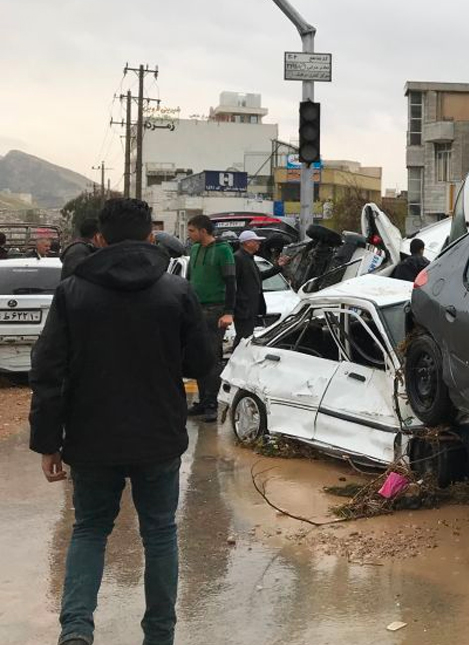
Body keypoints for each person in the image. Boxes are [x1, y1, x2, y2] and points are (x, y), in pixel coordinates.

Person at [28, 197, 214, 645]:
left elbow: (48, 370)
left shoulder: (72, 292)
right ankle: (159, 636)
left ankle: (75, 632)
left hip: (91, 436)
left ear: (100, 239)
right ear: (151, 236)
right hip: (159, 435)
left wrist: (48, 441)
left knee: (90, 530)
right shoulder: (175, 292)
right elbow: (201, 362)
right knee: (160, 533)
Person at [186, 215, 235, 423]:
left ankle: (212, 403)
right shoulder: (195, 250)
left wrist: (229, 312)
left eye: (192, 231)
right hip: (196, 309)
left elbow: (232, 282)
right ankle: (202, 401)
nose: (189, 235)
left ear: (203, 231)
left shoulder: (223, 250)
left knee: (212, 357)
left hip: (215, 310)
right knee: (197, 356)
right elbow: (189, 280)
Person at [232, 230, 287, 347]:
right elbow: (232, 284)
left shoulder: (250, 258)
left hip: (251, 307)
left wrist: (278, 267)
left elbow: (259, 277)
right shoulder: (238, 258)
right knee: (243, 338)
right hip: (243, 308)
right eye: (256, 241)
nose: (259, 244)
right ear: (247, 243)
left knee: (247, 337)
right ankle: (237, 359)